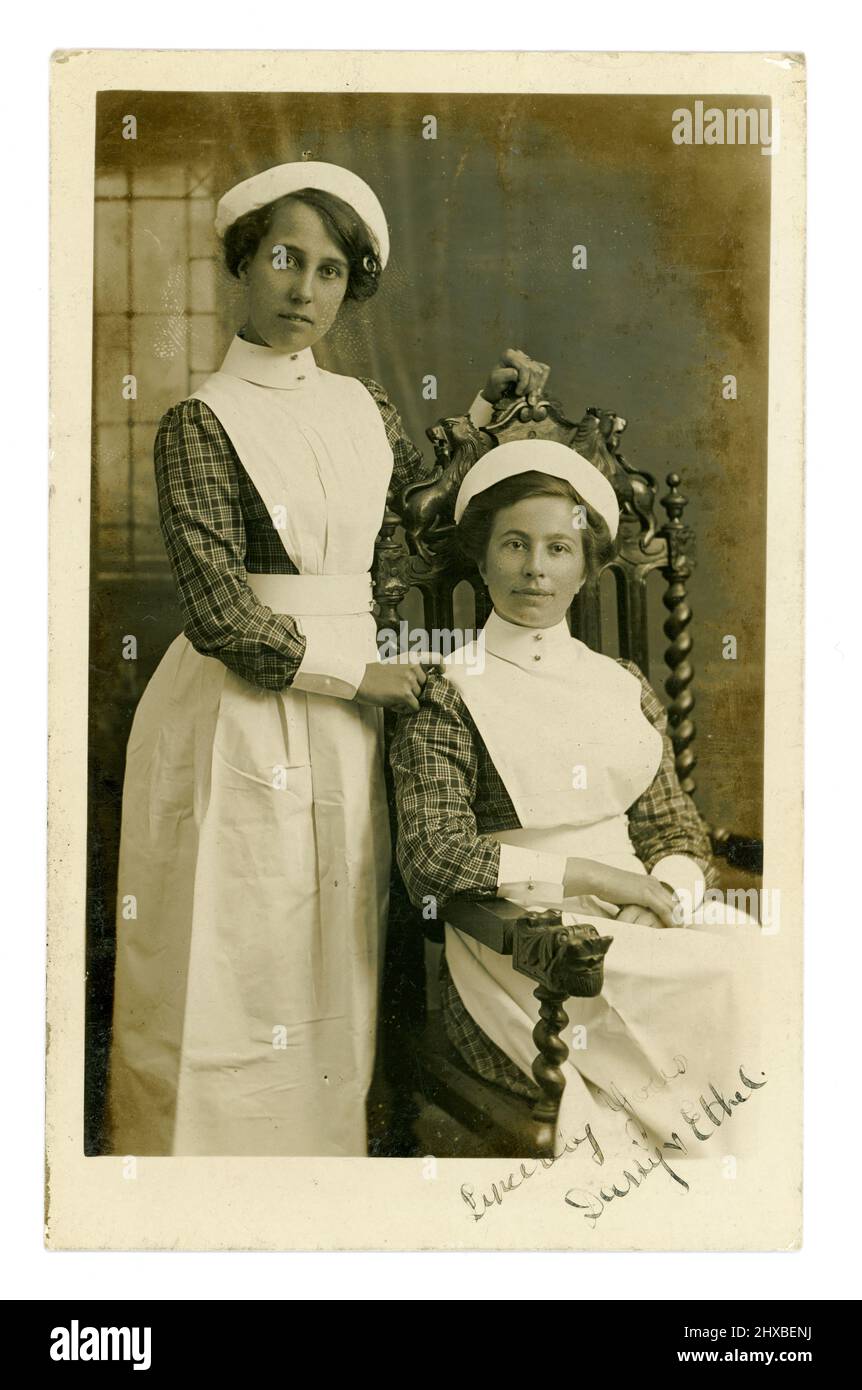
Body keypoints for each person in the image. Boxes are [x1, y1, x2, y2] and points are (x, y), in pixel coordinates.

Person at [106, 159, 549, 1157]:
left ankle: (318, 1185)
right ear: (242, 265)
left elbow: (410, 543)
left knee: (329, 956)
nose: (305, 289)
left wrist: (485, 423)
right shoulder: (200, 423)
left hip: (350, 718)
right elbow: (220, 612)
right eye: (283, 259)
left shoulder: (364, 408)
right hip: (236, 715)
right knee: (229, 946)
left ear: (352, 287)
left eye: (332, 271)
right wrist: (358, 675)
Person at [390, 439, 765, 1159]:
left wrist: (661, 893)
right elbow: (434, 860)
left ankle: (753, 1184)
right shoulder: (444, 688)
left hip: (640, 912)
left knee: (771, 954)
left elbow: (673, 826)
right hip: (522, 943)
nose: (535, 567)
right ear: (482, 556)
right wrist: (598, 881)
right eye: (514, 544)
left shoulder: (620, 681)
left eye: (559, 548)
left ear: (587, 565)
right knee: (719, 977)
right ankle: (725, 1174)